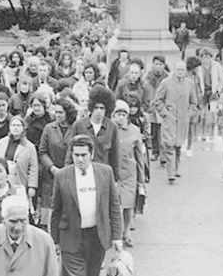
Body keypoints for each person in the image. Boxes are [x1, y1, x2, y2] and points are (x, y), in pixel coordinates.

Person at [51, 134, 123, 276]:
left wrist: (117, 236)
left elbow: (113, 207)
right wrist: (54, 240)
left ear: (91, 154)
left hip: (97, 236)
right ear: (71, 155)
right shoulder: (62, 176)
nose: (80, 159)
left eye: (83, 155)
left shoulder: (105, 173)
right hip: (71, 237)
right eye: (76, 155)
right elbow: (56, 211)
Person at [153, 60, 198, 183]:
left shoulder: (190, 84)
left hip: (182, 120)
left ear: (185, 71)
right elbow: (158, 100)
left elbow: (194, 102)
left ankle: (177, 168)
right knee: (169, 145)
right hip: (170, 119)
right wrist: (165, 113)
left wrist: (188, 114)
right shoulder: (166, 83)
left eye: (182, 70)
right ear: (174, 70)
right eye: (178, 70)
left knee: (178, 145)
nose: (180, 72)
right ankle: (170, 172)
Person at [37, 97, 77, 229]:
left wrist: (67, 169)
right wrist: (53, 168)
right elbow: (42, 151)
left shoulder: (75, 128)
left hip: (71, 173)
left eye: (61, 112)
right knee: (50, 208)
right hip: (51, 175)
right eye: (56, 112)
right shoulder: (49, 128)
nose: (57, 115)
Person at [65, 84, 121, 178]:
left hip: (103, 176)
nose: (99, 111)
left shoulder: (112, 127)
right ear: (91, 107)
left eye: (102, 108)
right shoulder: (79, 125)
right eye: (96, 108)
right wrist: (67, 175)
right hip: (82, 175)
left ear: (107, 109)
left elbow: (115, 157)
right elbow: (70, 153)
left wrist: (115, 179)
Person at [111, 100, 145, 247]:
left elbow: (139, 156)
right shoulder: (109, 130)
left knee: (128, 204)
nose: (121, 117)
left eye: (123, 114)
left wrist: (142, 180)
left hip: (130, 173)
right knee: (113, 204)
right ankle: (115, 233)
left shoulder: (135, 131)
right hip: (112, 172)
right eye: (118, 113)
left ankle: (127, 232)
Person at [0, 115, 39, 212]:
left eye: (18, 125)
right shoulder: (1, 142)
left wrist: (32, 186)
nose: (15, 127)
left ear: (23, 128)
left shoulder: (29, 147)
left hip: (20, 181)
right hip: (4, 180)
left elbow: (33, 167)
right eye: (13, 125)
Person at [144, 55, 169, 165]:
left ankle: (163, 154)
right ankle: (155, 151)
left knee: (162, 132)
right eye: (156, 64)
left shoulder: (168, 78)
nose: (158, 66)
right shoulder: (147, 77)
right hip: (151, 107)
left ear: (164, 66)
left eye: (160, 64)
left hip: (163, 106)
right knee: (154, 131)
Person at [196, 49, 223, 143]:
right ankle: (203, 132)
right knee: (203, 114)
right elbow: (197, 80)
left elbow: (220, 79)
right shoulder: (199, 68)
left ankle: (212, 132)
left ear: (211, 57)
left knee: (212, 112)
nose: (206, 59)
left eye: (208, 57)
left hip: (213, 92)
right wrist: (199, 92)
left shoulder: (216, 66)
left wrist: (218, 90)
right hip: (204, 92)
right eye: (204, 57)